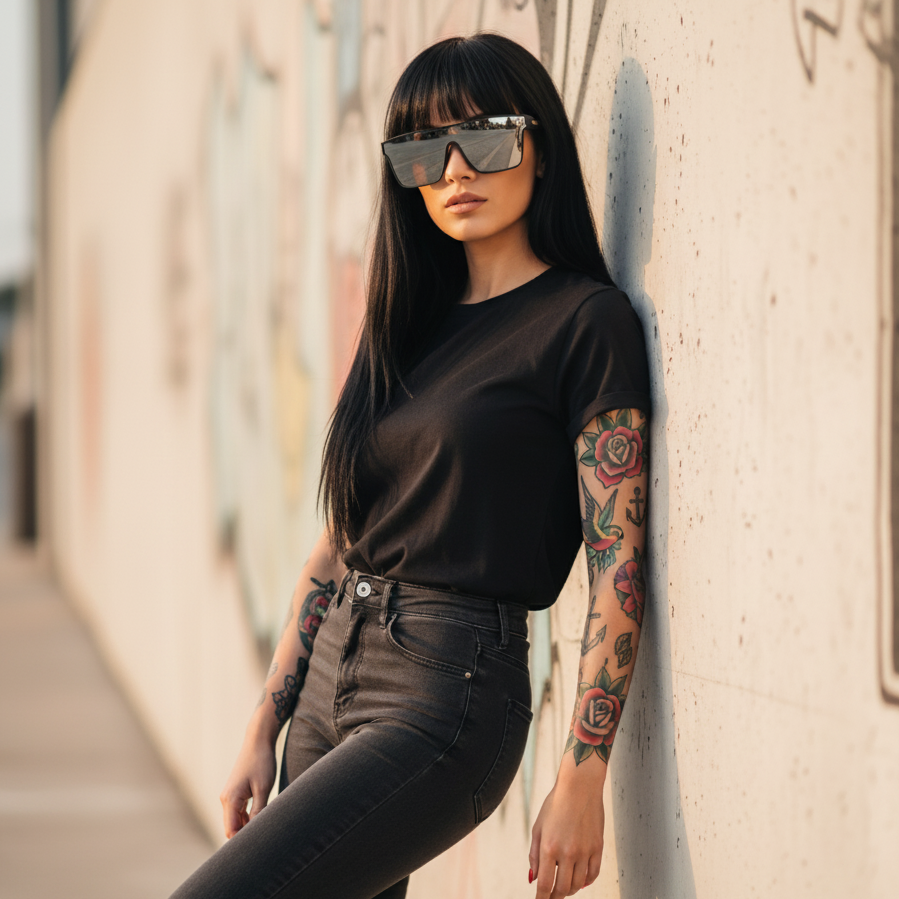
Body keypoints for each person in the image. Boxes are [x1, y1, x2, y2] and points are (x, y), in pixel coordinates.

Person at [170, 30, 651, 899]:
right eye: (426, 147)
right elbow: (336, 544)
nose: (456, 167)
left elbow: (619, 562)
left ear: (539, 146)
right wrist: (264, 718)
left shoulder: (584, 323)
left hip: (446, 690)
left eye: (488, 134)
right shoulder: (404, 325)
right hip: (329, 680)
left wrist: (583, 773)